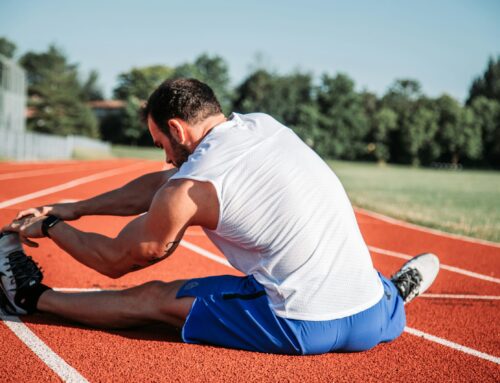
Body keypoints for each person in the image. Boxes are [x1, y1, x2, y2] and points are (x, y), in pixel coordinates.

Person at [0, 78, 440, 355]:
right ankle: (395, 293)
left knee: (154, 297)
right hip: (371, 318)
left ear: (176, 129)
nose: (166, 157)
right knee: (344, 263)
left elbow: (118, 259)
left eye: (161, 144)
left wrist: (55, 227)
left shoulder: (192, 186)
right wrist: (76, 207)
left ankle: (31, 298)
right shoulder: (263, 126)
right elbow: (164, 184)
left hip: (299, 324)